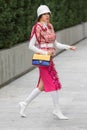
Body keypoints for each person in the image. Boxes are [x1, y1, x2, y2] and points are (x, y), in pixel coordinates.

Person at [19, 5, 76, 119]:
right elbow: (31, 46)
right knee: (52, 83)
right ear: (40, 15)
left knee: (42, 86)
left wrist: (68, 47)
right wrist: (44, 52)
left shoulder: (50, 27)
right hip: (43, 60)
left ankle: (24, 103)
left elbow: (56, 44)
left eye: (48, 14)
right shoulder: (37, 27)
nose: (47, 16)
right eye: (45, 14)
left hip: (49, 60)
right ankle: (56, 110)